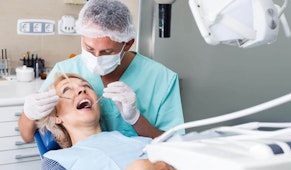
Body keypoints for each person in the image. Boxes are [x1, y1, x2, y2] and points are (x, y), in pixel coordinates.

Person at [35, 73, 244, 170]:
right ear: (56, 117)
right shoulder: (57, 159)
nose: (80, 90)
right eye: (66, 90)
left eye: (85, 86)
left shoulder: (141, 141)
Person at [18, 0, 184, 143]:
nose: (96, 57)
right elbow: (27, 136)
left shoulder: (162, 79)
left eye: (107, 52)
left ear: (128, 44)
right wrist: (29, 113)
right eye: (89, 48)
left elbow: (174, 146)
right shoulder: (65, 71)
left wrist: (135, 118)